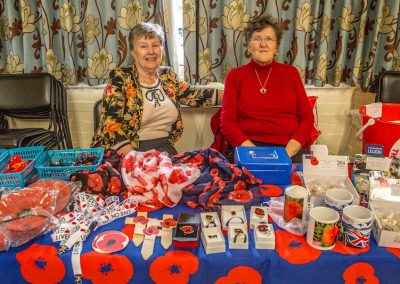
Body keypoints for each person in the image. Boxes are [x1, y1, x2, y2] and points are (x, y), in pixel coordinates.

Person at [91, 22, 221, 156]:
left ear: (162, 48)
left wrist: (235, 92)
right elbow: (111, 126)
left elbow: (195, 95)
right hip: (125, 150)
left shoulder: (167, 75)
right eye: (143, 46)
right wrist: (139, 159)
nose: (151, 51)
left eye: (155, 45)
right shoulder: (120, 79)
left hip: (164, 147)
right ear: (133, 51)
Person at [220, 15, 314, 163]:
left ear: (276, 48)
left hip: (287, 148)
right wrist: (255, 155)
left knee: (295, 185)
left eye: (269, 39)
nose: (263, 44)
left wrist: (287, 153)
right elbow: (227, 122)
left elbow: (307, 118)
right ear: (249, 47)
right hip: (247, 147)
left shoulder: (291, 73)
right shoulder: (235, 76)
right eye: (257, 38)